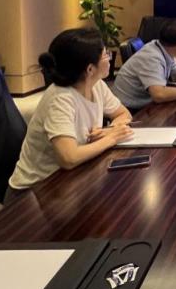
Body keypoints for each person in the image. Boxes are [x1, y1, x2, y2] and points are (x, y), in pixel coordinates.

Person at [7, 28, 133, 194]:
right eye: (105, 55)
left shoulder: (96, 84)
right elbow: (69, 158)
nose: (109, 58)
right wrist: (111, 138)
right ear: (90, 69)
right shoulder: (60, 98)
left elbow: (123, 114)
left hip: (72, 179)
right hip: (34, 191)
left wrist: (109, 130)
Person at [112, 18, 176, 110]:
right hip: (128, 110)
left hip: (144, 104)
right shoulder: (152, 57)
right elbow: (159, 94)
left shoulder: (162, 47)